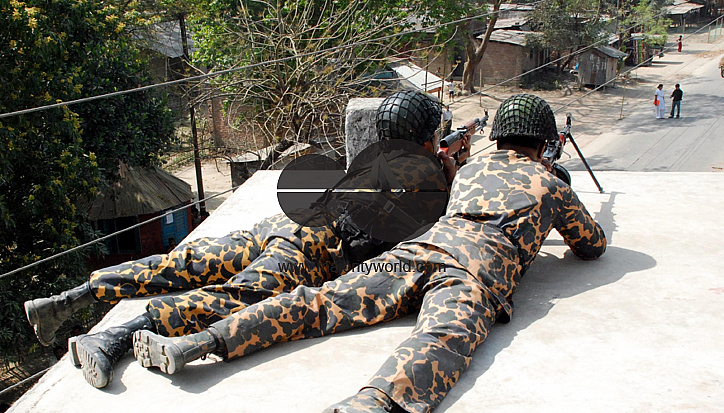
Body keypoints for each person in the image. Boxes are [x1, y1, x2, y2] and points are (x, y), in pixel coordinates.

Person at [131, 94, 607, 413]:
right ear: (544, 143)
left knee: (319, 303)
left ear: (497, 136)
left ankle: (196, 343)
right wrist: (553, 185)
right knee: (442, 338)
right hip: (475, 269)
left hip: (418, 250)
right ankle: (371, 403)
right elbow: (592, 245)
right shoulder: (547, 183)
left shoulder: (468, 169)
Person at [23, 89, 466, 389]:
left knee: (184, 262)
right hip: (309, 250)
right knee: (233, 298)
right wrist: (450, 177)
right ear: (427, 140)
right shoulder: (425, 176)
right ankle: (113, 339)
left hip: (282, 224)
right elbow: (441, 229)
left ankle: (68, 299)